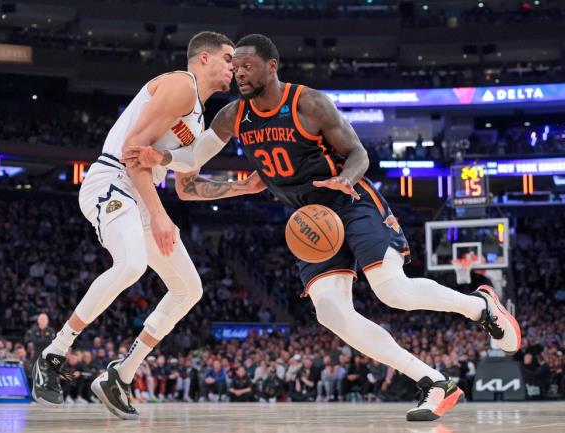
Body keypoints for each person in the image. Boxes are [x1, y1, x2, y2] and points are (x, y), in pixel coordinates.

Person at [123, 34, 521, 421]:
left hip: (350, 202)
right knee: (331, 312)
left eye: (247, 66)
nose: (239, 73)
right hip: (309, 221)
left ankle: (480, 306)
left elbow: (358, 153)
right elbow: (196, 154)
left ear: (271, 66)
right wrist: (162, 155)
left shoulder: (309, 103)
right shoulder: (233, 114)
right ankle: (434, 381)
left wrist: (346, 178)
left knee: (393, 291)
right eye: (235, 66)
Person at [31, 31, 235, 420]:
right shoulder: (181, 84)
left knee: (189, 288)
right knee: (131, 265)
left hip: (139, 193)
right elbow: (131, 154)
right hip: (112, 181)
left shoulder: (196, 115)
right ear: (204, 58)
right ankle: (54, 352)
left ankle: (120, 375)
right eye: (228, 58)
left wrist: (245, 186)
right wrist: (159, 214)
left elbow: (188, 188)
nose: (233, 66)